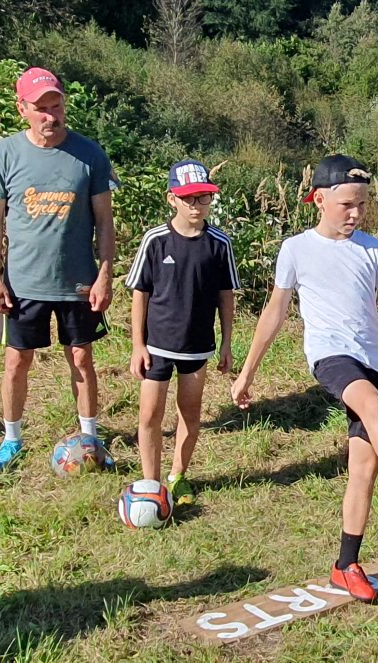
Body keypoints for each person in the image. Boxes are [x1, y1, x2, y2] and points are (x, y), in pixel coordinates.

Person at [230, 155, 378, 603]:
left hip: (372, 361)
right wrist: (246, 373)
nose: (356, 214)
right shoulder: (297, 249)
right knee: (372, 405)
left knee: (363, 468)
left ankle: (345, 565)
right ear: (319, 200)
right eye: (347, 205)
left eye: (363, 205)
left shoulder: (373, 249)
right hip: (330, 357)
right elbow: (274, 312)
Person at [0, 66, 117, 473]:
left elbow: (105, 221)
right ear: (22, 108)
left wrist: (105, 274)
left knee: (82, 357)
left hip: (78, 282)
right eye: (41, 108)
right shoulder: (4, 154)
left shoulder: (89, 154)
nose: (50, 115)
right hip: (23, 282)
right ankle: (11, 440)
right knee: (16, 361)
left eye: (56, 106)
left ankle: (90, 440)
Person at [126, 159, 237, 507]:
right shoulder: (155, 240)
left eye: (203, 197)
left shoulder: (220, 243)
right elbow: (140, 293)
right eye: (188, 198)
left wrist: (227, 344)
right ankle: (150, 482)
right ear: (171, 198)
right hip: (157, 345)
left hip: (197, 346)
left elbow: (226, 296)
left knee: (190, 413)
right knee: (150, 415)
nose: (196, 205)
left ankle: (177, 475)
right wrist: (138, 345)